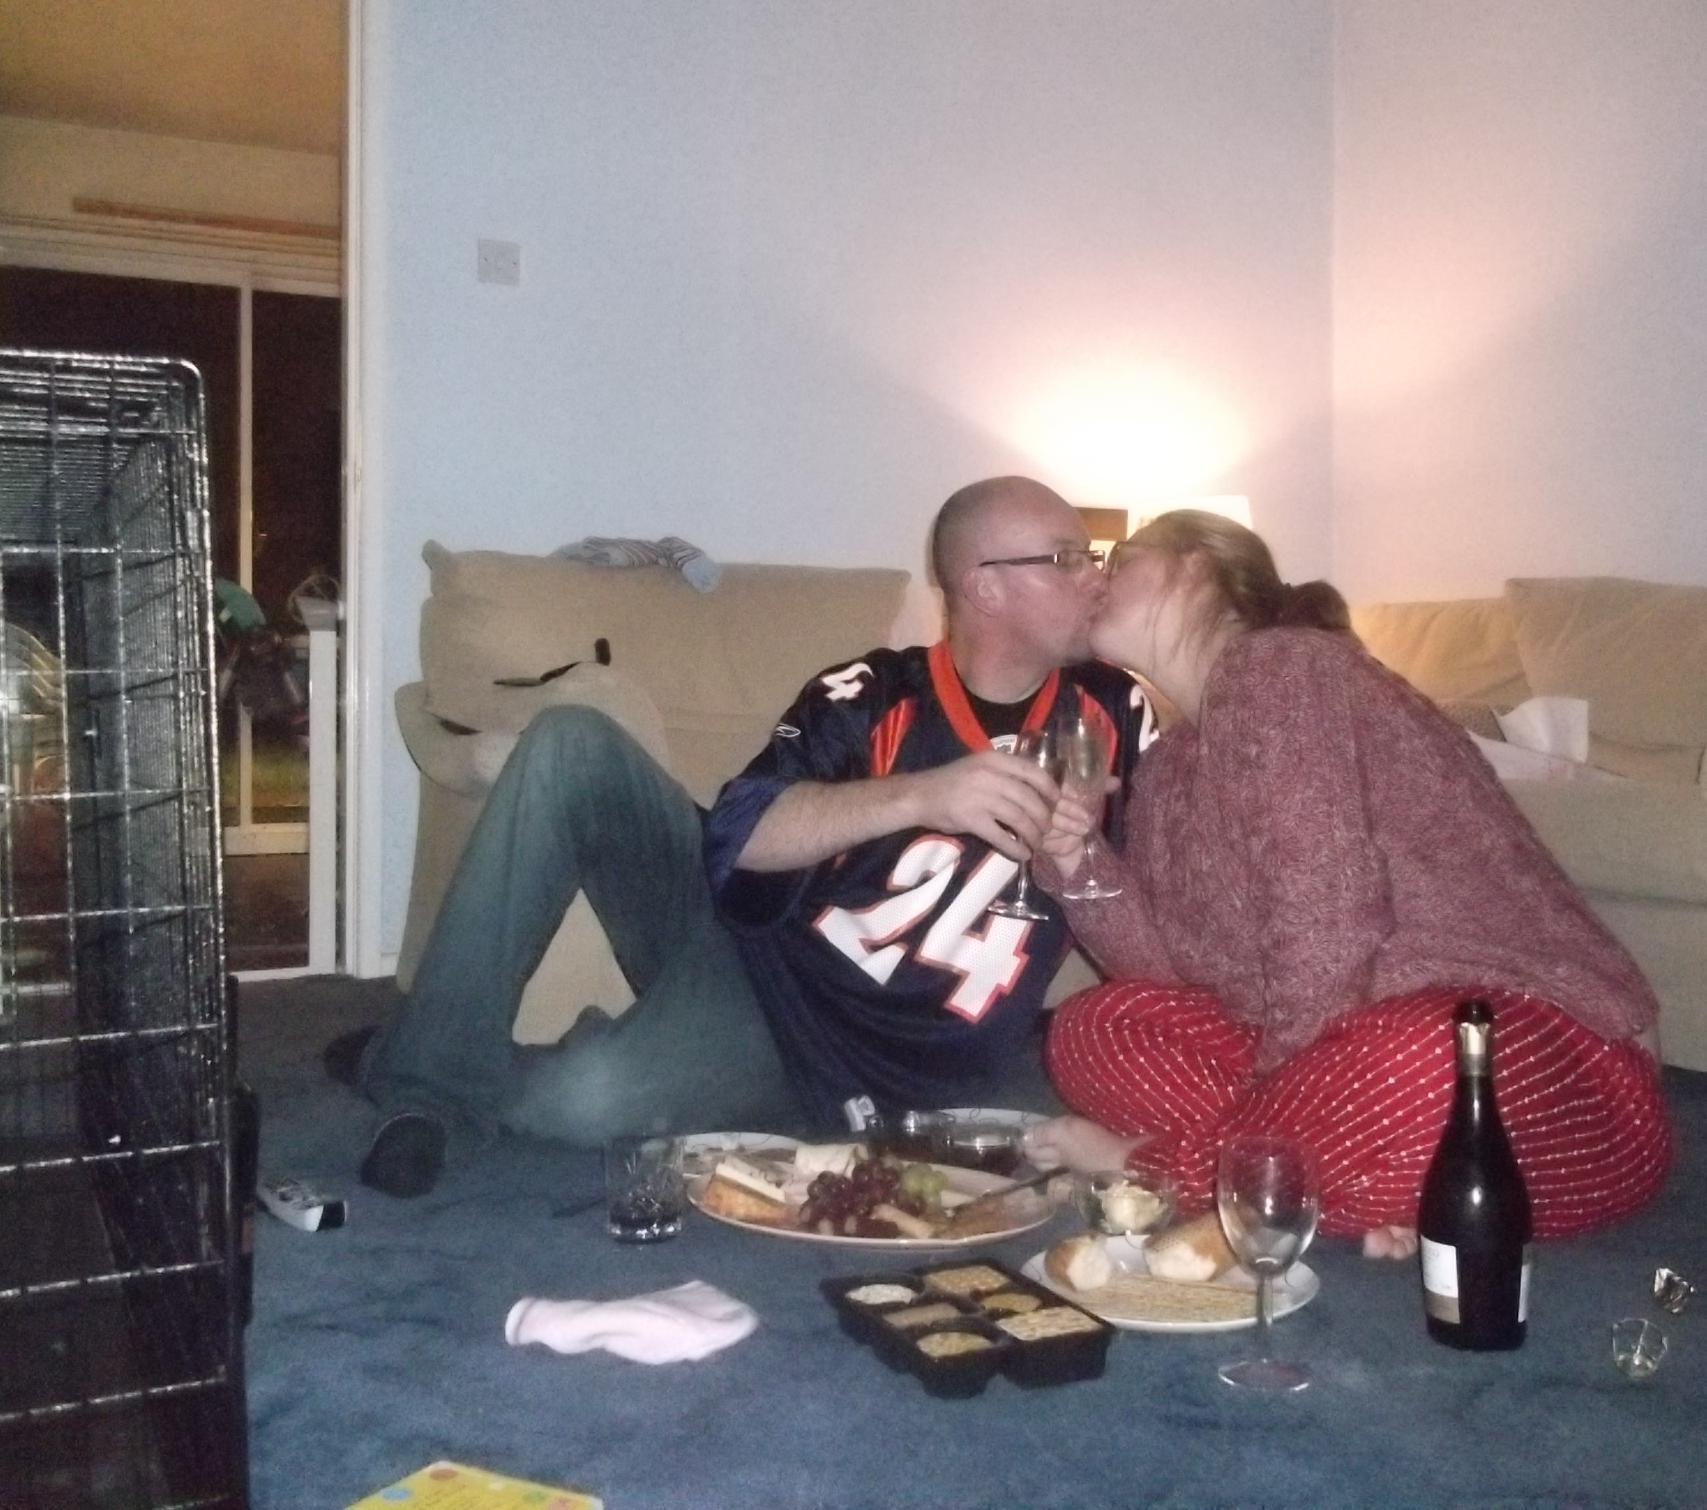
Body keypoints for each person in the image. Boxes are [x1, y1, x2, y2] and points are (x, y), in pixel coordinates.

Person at [341, 476, 1157, 1197]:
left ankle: (424, 1048)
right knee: (570, 741)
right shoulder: (872, 693)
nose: (1095, 576)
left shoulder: (1118, 713)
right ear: (985, 586)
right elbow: (740, 836)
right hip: (759, 961)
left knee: (583, 1102)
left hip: (844, 1061)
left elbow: (1169, 923)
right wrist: (923, 795)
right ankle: (426, 1086)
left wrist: (1083, 858)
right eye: (1068, 558)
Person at [1021, 510, 1671, 1258]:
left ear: (1196, 564)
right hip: (1342, 1064)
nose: (1097, 578)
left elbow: (1327, 921)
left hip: (1550, 1066)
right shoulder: (1167, 769)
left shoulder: (1285, 669)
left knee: (1417, 1062)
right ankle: (1354, 1182)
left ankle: (1164, 1171)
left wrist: (1308, 1094)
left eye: (1120, 559)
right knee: (1095, 1027)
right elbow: (1167, 977)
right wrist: (1076, 856)